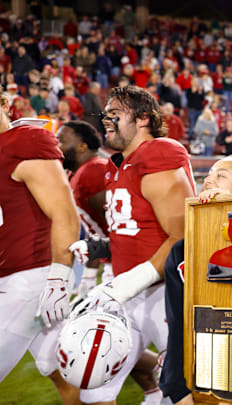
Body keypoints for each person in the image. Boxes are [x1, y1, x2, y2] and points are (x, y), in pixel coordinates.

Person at [70, 85, 195, 405]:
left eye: (115, 114)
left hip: (167, 295)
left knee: (190, 393)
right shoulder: (120, 165)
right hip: (127, 294)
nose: (106, 121)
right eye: (106, 114)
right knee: (93, 385)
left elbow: (185, 237)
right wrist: (102, 248)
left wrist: (129, 282)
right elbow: (136, 233)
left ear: (142, 119)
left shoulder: (157, 155)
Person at [55, 120, 164, 405]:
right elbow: (105, 229)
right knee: (115, 343)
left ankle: (167, 378)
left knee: (104, 347)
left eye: (62, 138)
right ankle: (155, 391)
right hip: (118, 265)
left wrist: (98, 268)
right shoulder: (84, 171)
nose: (57, 142)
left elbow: (124, 217)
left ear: (81, 145)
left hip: (130, 270)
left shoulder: (92, 170)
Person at [160, 156, 232, 405]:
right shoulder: (182, 250)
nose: (209, 179)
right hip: (197, 377)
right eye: (210, 173)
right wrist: (175, 384)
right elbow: (177, 322)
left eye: (221, 175)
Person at [0, 92, 79, 399]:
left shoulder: (23, 141)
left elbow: (63, 211)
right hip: (12, 275)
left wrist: (58, 277)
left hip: (31, 278)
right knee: (65, 371)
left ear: (5, 104)